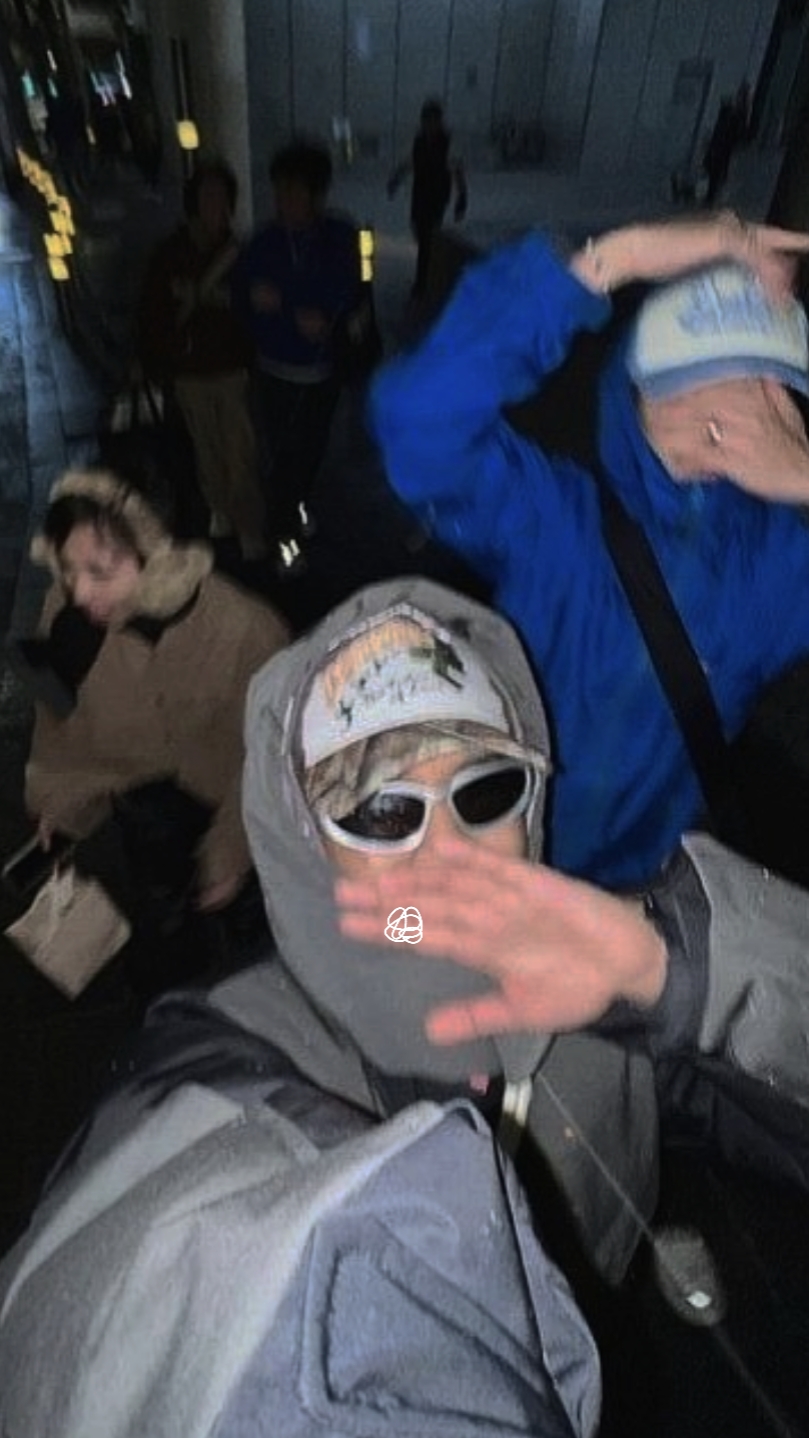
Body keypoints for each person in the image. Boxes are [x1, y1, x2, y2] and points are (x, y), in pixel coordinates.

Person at [369, 213, 809, 888]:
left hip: (633, 893)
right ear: (634, 389)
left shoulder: (782, 565)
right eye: (698, 382)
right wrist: (613, 260)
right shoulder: (556, 518)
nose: (726, 421)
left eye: (759, 390)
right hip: (492, 857)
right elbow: (416, 419)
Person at [20, 465, 289, 988]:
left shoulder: (246, 629)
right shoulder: (67, 618)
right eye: (68, 570)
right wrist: (58, 802)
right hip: (144, 813)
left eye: (101, 571)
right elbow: (57, 721)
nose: (79, 593)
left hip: (233, 807)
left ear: (159, 555)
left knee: (253, 962)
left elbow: (273, 752)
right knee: (164, 947)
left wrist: (232, 851)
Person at [233, 138, 365, 575]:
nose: (284, 201)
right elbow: (247, 298)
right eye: (280, 191)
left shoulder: (339, 235)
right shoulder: (263, 241)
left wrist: (284, 302)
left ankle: (299, 504)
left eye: (295, 191)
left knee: (310, 452)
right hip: (274, 371)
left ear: (317, 194)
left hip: (323, 372)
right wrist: (291, 308)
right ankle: (284, 540)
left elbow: (340, 293)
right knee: (282, 458)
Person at [137, 158, 267, 561]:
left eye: (223, 198)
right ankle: (219, 509)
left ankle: (248, 525)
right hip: (189, 371)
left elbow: (255, 306)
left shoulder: (240, 254)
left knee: (240, 451)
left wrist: (218, 298)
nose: (217, 206)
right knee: (206, 450)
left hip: (232, 369)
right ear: (193, 202)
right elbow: (152, 311)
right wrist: (155, 360)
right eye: (209, 197)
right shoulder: (169, 253)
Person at [387, 98, 468, 297]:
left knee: (427, 238)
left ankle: (423, 281)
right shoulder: (419, 141)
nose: (430, 125)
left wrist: (461, 198)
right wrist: (396, 179)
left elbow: (457, 169)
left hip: (437, 195)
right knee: (420, 233)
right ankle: (427, 275)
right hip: (420, 194)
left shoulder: (447, 143)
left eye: (434, 120)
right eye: (427, 120)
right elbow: (409, 162)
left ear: (439, 121)